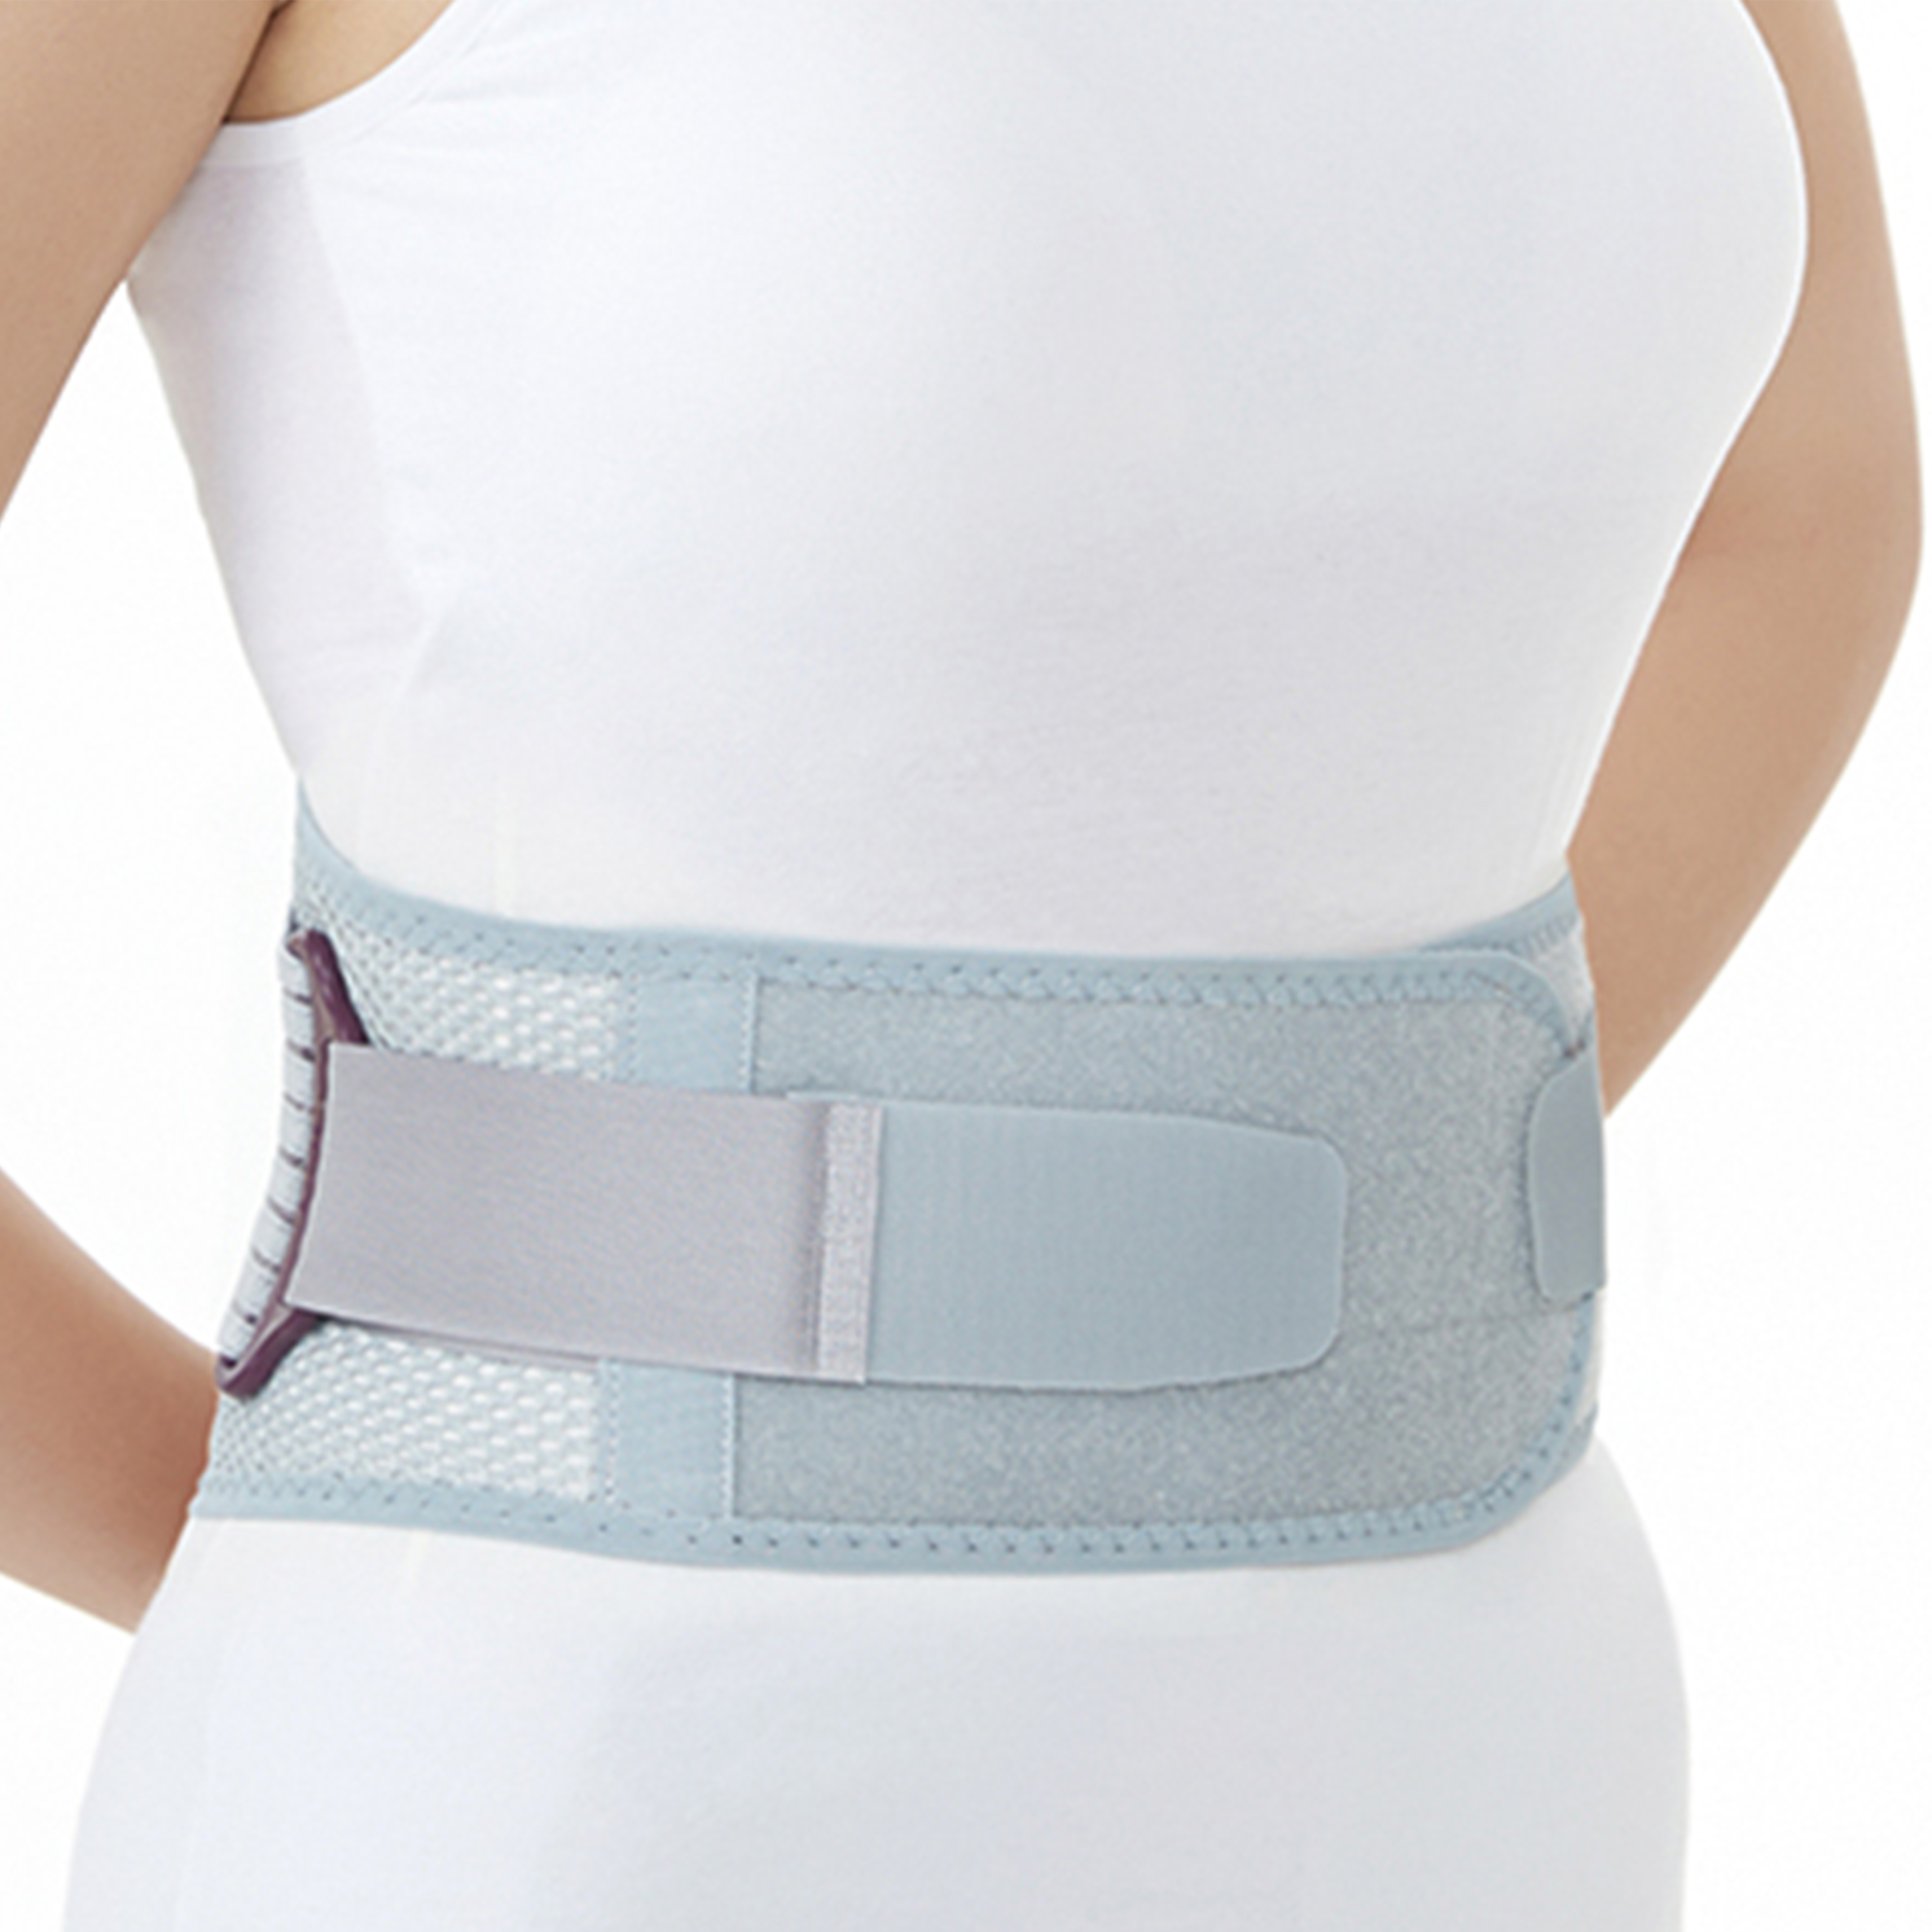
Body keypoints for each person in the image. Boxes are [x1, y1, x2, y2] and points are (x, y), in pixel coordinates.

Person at [0, 1, 1917, 1926]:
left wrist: (1361, 1230)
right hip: (568, 1769)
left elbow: (1808, 504)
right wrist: (286, 1529)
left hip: (1477, 1732)